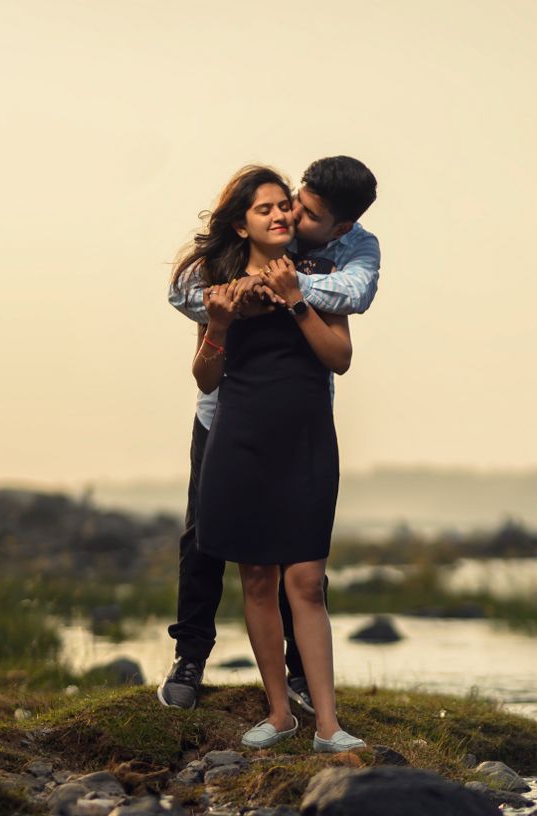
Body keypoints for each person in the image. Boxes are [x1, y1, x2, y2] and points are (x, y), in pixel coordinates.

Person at [161, 155, 380, 713]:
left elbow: (352, 301)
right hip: (224, 418)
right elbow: (185, 298)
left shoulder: (339, 257)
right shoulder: (222, 270)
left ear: (339, 225)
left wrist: (289, 288)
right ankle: (190, 658)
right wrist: (233, 304)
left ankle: (303, 677)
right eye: (283, 205)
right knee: (205, 539)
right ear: (245, 220)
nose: (290, 215)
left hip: (298, 423)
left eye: (299, 210)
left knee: (300, 558)